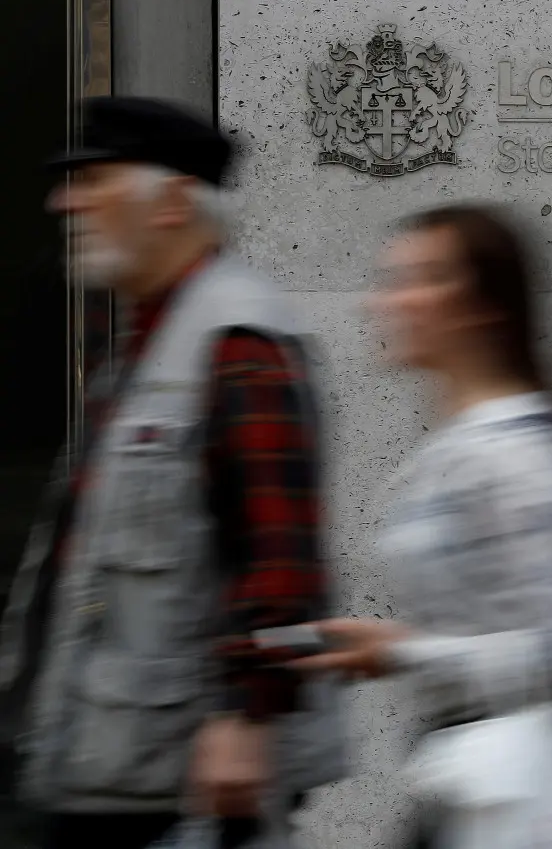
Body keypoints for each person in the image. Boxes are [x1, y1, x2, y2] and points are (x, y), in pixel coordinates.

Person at [0, 97, 344, 849]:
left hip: (181, 790)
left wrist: (247, 715)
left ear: (175, 201)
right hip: (102, 765)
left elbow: (280, 558)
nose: (65, 202)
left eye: (93, 180)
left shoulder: (239, 345)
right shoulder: (144, 353)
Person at [291, 204, 552, 846]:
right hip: (473, 784)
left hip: (519, 797)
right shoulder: (462, 443)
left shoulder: (521, 454)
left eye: (418, 279)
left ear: (484, 305)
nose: (386, 302)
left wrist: (403, 650)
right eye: (390, 280)